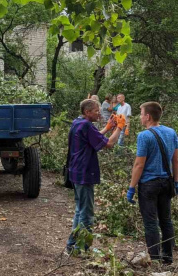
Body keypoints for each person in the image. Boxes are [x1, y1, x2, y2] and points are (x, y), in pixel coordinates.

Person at [66, 99, 124, 253]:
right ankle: (81, 248)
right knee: (86, 213)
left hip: (76, 171)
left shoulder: (78, 122)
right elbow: (109, 144)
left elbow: (94, 138)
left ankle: (72, 245)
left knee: (80, 210)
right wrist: (119, 127)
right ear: (87, 112)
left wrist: (107, 127)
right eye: (96, 111)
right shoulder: (86, 125)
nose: (99, 113)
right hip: (84, 173)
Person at [126, 102, 178, 264]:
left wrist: (131, 187)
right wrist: (175, 182)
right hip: (166, 183)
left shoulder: (144, 136)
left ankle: (155, 258)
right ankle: (168, 257)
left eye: (141, 113)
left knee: (150, 222)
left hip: (149, 185)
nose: (140, 117)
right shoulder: (171, 132)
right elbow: (175, 161)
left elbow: (139, 164)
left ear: (148, 116)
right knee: (166, 220)